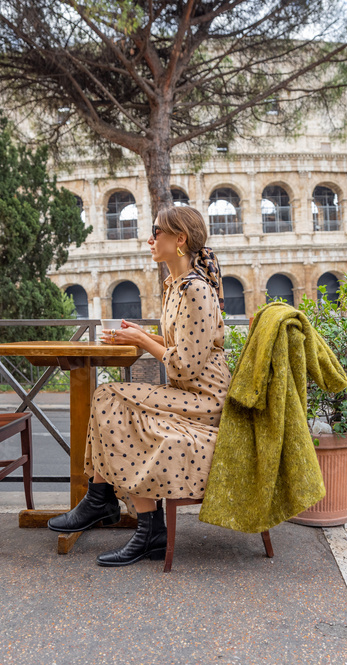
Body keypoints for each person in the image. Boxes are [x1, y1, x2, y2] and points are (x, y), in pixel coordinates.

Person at [48, 205, 230, 567]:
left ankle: (102, 500)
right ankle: (135, 521)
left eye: (157, 232)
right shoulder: (175, 286)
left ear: (180, 240)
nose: (150, 238)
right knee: (113, 402)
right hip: (188, 393)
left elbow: (187, 364)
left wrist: (145, 343)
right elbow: (181, 344)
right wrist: (140, 335)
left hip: (205, 398)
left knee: (109, 397)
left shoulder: (195, 290)